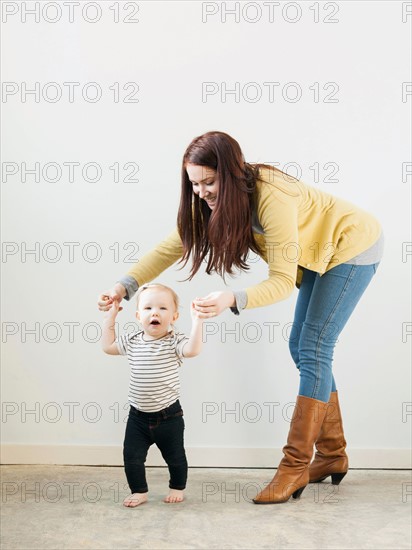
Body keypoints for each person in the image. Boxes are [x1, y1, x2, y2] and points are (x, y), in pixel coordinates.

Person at [98, 131, 383, 505]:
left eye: (209, 182)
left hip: (352, 245)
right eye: (194, 183)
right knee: (302, 347)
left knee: (313, 349)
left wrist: (234, 298)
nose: (202, 192)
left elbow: (281, 281)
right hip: (318, 252)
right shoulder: (213, 202)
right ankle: (331, 454)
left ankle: (295, 465)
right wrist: (125, 286)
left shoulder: (271, 198)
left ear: (231, 174)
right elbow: (172, 245)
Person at [101, 283, 204, 507]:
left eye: (162, 308)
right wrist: (111, 319)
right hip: (137, 417)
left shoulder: (174, 341)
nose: (154, 312)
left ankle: (177, 487)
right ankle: (139, 491)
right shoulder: (133, 340)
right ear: (139, 316)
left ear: (174, 316)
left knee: (175, 457)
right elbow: (108, 346)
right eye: (148, 308)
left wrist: (198, 322)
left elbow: (193, 350)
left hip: (169, 417)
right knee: (131, 456)